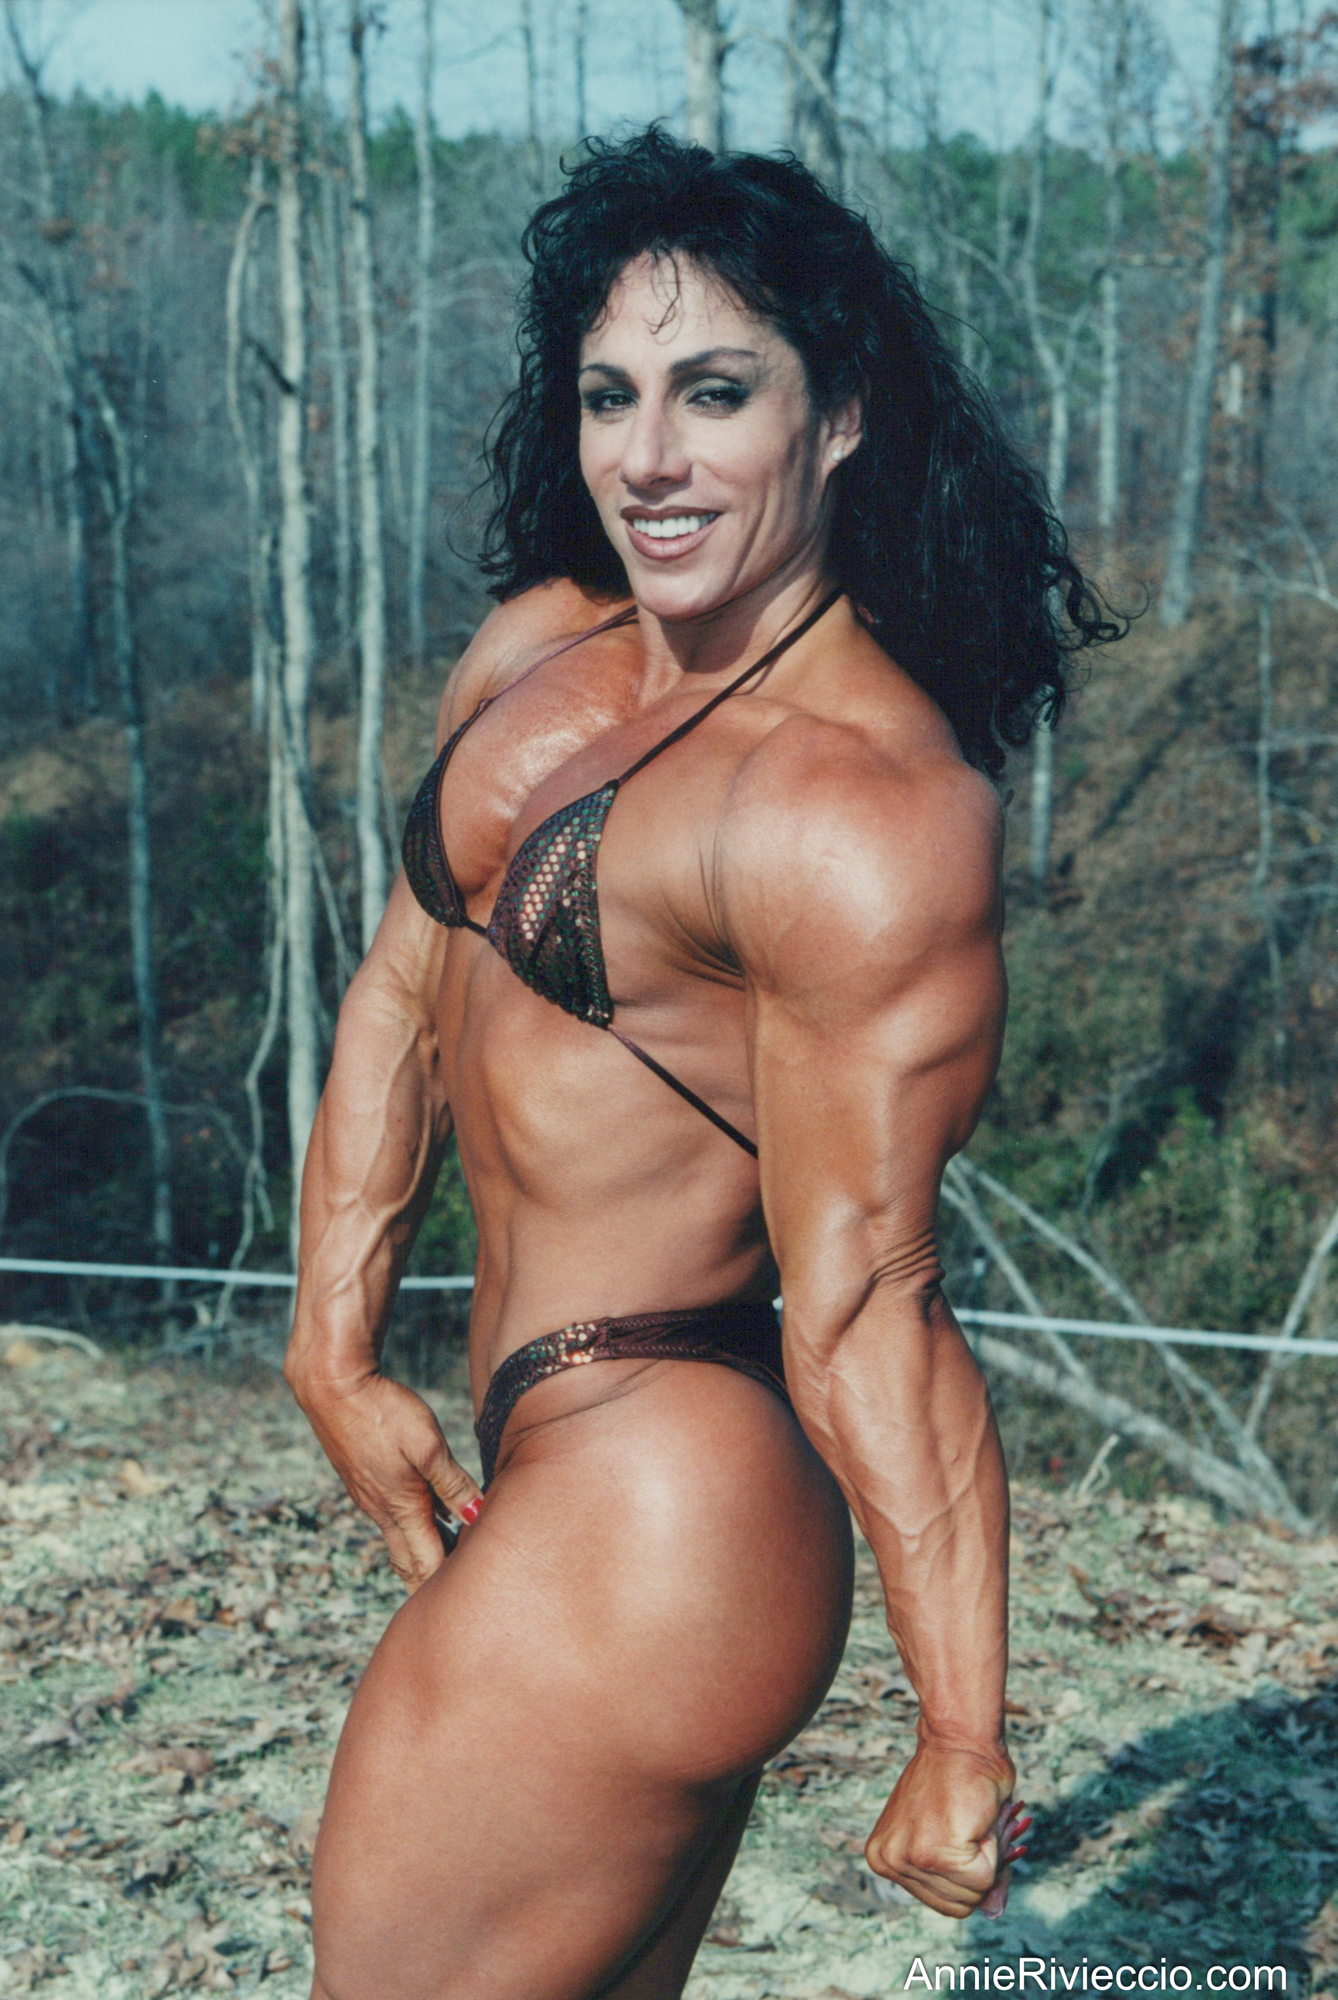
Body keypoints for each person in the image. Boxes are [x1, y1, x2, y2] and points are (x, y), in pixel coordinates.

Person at [284, 128, 1118, 2000]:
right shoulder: (539, 651)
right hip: (558, 1459)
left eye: (715, 393)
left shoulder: (856, 809)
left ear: (839, 416)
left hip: (664, 1506)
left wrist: (961, 1727)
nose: (647, 457)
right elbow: (402, 989)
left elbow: (871, 1295)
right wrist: (332, 1343)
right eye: (611, 396)